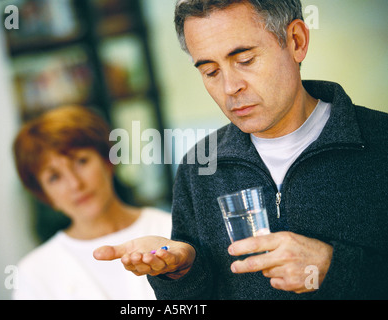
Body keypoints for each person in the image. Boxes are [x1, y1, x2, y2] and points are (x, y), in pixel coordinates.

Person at [94, 0, 388, 299]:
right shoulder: (199, 167)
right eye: (210, 71)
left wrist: (333, 268)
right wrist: (183, 273)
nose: (229, 87)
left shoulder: (382, 144)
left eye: (245, 60)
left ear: (296, 41)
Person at [12, 105, 172, 299]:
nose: (75, 184)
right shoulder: (33, 273)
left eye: (81, 161)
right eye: (54, 177)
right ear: (44, 195)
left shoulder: (171, 229)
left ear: (107, 161)